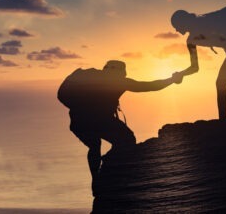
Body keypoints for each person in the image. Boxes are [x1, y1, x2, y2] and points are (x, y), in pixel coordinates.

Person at [66, 60, 183, 195]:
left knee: (94, 146)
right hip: (100, 121)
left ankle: (97, 179)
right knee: (126, 139)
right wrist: (172, 80)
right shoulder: (120, 81)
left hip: (79, 122)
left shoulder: (93, 78)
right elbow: (149, 86)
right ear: (121, 71)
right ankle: (111, 168)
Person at [171, 5, 226, 120]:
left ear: (183, 22)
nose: (177, 30)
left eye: (176, 26)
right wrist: (181, 74)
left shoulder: (203, 21)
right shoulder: (191, 41)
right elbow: (195, 67)